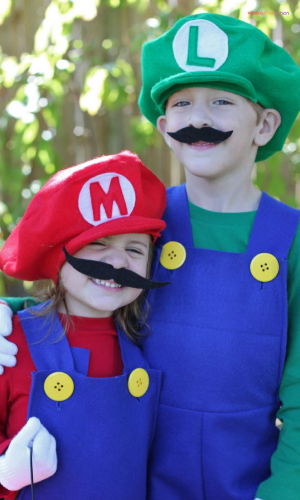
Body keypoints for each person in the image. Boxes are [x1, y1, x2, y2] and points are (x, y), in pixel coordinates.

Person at [1, 12, 300, 500]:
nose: (198, 119)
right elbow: (82, 292)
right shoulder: (140, 221)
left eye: (221, 101)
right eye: (181, 104)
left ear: (264, 124)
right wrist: (9, 318)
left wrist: (283, 492)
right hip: (130, 478)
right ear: (164, 126)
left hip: (249, 484)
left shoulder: (291, 238)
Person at [0, 150, 167, 499]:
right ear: (56, 257)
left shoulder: (149, 343)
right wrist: (5, 468)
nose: (118, 261)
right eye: (97, 244)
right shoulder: (10, 343)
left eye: (135, 250)